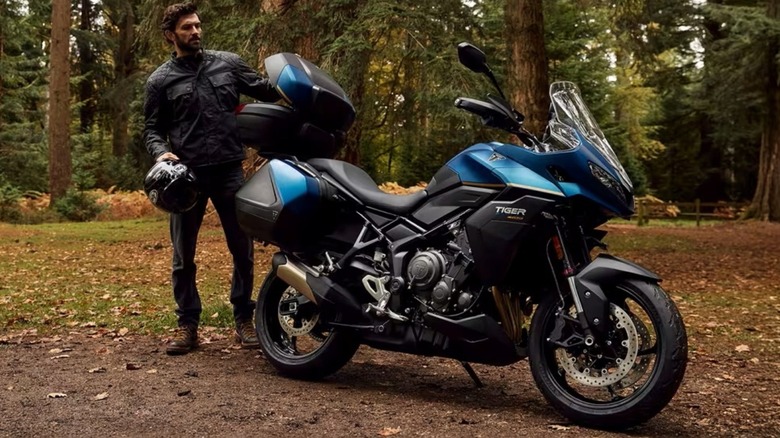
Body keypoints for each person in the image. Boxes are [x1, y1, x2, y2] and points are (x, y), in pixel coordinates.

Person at [143, 2, 279, 355]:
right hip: (185, 178)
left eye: (197, 25)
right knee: (183, 254)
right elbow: (152, 129)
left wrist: (297, 84)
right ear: (171, 35)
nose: (196, 32)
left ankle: (244, 318)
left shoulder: (228, 64)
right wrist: (161, 152)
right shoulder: (160, 80)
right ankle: (188, 325)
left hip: (229, 170)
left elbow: (267, 90)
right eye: (187, 27)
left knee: (242, 248)